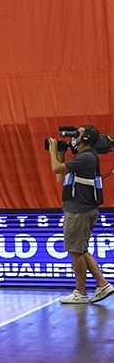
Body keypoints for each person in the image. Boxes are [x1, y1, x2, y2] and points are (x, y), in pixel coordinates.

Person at [49, 125, 112, 304]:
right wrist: (60, 153)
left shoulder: (86, 157)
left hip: (78, 211)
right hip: (81, 209)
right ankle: (102, 284)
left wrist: (52, 151)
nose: (73, 138)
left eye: (78, 134)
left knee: (75, 251)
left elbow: (55, 169)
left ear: (84, 139)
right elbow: (60, 177)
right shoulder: (83, 157)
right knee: (80, 249)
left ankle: (81, 292)